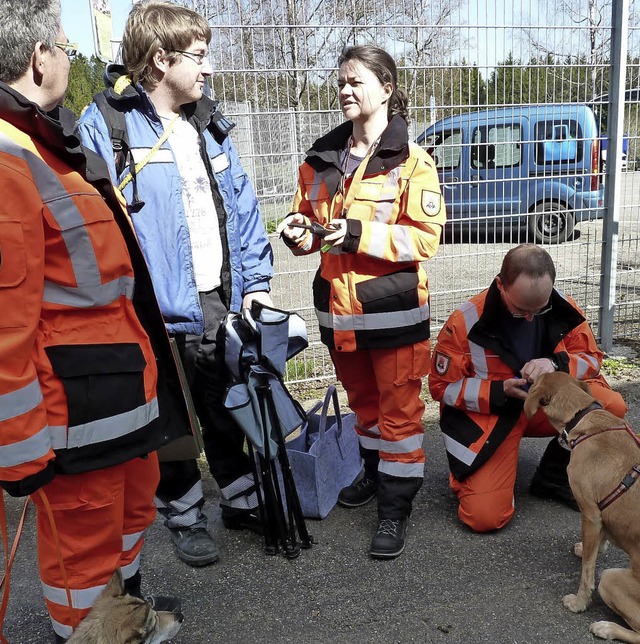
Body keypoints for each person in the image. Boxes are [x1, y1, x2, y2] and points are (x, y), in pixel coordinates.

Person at [0, 0, 189, 641]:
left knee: (128, 522)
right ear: (37, 58)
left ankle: (124, 618)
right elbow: (5, 329)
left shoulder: (44, 145)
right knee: (81, 554)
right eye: (63, 43)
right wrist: (25, 453)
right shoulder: (8, 158)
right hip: (74, 414)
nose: (70, 55)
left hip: (116, 396)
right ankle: (87, 630)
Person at [77, 0, 273, 567]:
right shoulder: (109, 126)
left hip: (216, 299)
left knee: (223, 403)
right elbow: (98, 226)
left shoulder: (208, 125)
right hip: (153, 311)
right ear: (160, 60)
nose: (208, 68)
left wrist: (254, 282)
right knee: (171, 418)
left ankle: (239, 497)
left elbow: (242, 206)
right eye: (199, 56)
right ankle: (185, 513)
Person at [278, 45, 446, 559]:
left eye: (356, 81)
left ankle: (395, 509)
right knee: (365, 408)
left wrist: (353, 233)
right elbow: (308, 219)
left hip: (392, 314)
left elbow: (424, 239)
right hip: (339, 314)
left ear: (387, 88)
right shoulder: (321, 158)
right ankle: (374, 477)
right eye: (341, 82)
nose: (345, 91)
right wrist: (299, 233)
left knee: (399, 417)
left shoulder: (412, 162)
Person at [428, 244, 627, 533]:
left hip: (545, 405)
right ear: (501, 285)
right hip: (495, 415)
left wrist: (555, 364)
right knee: (484, 518)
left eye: (540, 309)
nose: (532, 317)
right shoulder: (465, 322)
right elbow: (441, 387)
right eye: (521, 310)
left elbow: (591, 360)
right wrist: (498, 391)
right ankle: (474, 477)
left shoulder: (562, 306)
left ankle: (554, 476)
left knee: (611, 407)